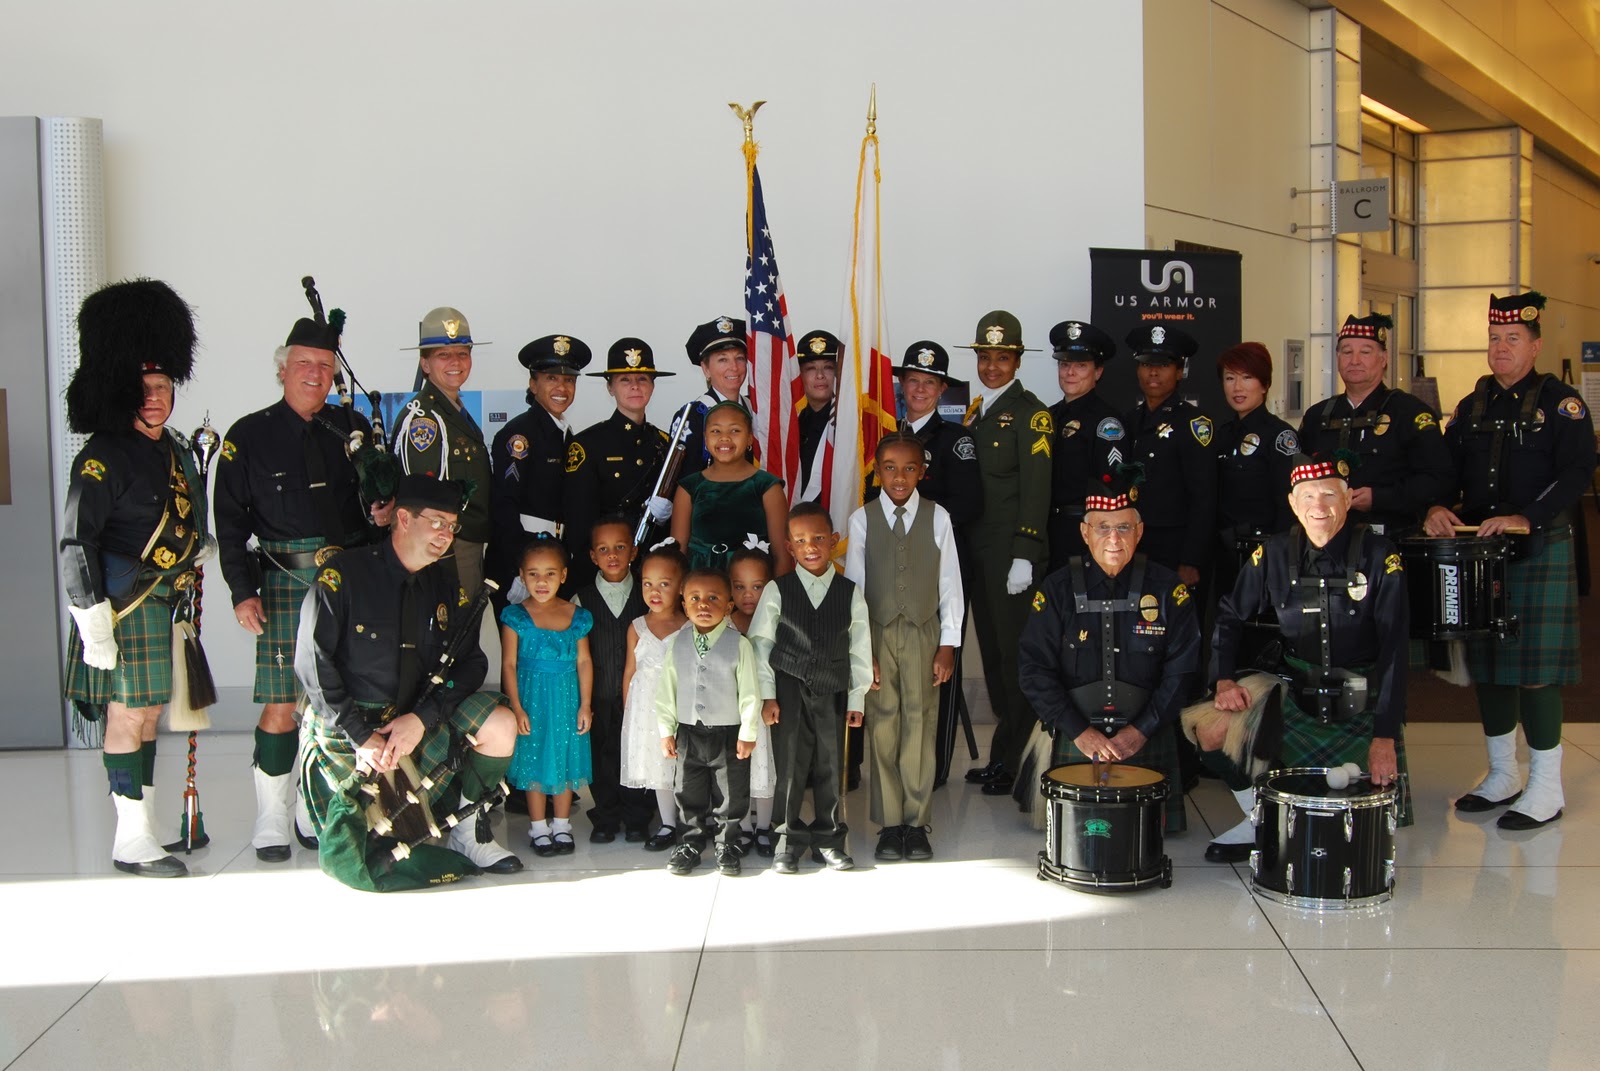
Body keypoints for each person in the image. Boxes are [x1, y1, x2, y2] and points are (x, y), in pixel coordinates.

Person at [214, 296, 396, 862]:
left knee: (335, 703)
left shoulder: (353, 427)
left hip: (348, 581)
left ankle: (311, 807)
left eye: (324, 366)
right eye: (304, 365)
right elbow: (229, 522)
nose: (315, 375)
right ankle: (271, 813)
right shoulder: (248, 435)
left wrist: (382, 511)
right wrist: (242, 591)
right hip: (282, 582)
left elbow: (373, 510)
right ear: (283, 369)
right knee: (280, 704)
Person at [1424, 292, 1596, 830]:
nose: (1501, 348)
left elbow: (1578, 469)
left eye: (1513, 339)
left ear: (1536, 345)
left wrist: (1529, 516)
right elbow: (1448, 467)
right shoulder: (1474, 405)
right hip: (1481, 549)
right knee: (1491, 667)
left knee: (1536, 671)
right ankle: (1503, 774)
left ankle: (1546, 786)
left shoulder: (1563, 403)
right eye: (1495, 339)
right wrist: (1435, 504)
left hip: (1538, 545)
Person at [297, 475, 523, 877]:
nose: (446, 535)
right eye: (436, 522)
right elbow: (312, 663)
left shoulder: (445, 584)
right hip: (352, 728)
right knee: (370, 847)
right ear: (403, 518)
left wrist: (422, 718)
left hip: (414, 722)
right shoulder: (344, 574)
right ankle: (310, 787)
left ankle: (469, 831)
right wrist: (360, 735)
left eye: (452, 527)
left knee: (501, 723)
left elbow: (472, 663)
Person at [60, 278, 201, 878]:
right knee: (127, 715)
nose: (155, 398)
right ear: (124, 392)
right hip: (120, 604)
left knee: (147, 715)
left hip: (164, 599)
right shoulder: (102, 454)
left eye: (163, 387)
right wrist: (90, 617)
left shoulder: (173, 448)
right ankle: (131, 838)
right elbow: (75, 540)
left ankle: (141, 826)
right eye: (143, 389)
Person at [1204, 451, 1411, 862]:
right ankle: (1259, 817)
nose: (1319, 507)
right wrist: (1223, 680)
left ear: (1349, 500)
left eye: (1330, 495)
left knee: (1349, 840)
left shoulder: (1380, 556)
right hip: (1296, 689)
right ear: (1293, 503)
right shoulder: (1274, 554)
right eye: (1309, 496)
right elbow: (1228, 616)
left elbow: (1395, 651)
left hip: (1362, 695)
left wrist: (1384, 736)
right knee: (1209, 730)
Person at [1016, 466, 1200, 833]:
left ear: (1140, 531)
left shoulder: (1168, 590)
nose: (1114, 539)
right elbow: (1033, 670)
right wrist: (1079, 731)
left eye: (1124, 528)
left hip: (1148, 732)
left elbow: (1183, 670)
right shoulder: (1055, 590)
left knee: (1146, 833)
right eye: (1103, 527)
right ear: (1085, 533)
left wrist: (1142, 730)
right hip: (1075, 734)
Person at [844, 435, 964, 862]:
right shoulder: (863, 519)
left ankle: (916, 823)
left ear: (922, 471)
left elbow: (950, 584)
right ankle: (888, 823)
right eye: (890, 468)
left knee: (920, 722)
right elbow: (855, 590)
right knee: (882, 724)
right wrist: (862, 650)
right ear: (877, 470)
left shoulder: (938, 517)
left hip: (923, 633)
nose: (899, 476)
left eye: (909, 468)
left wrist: (948, 643)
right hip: (877, 635)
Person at [747, 503, 875, 873]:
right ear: (790, 547)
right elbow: (761, 646)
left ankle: (829, 838)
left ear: (834, 542)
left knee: (830, 765)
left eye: (819, 538)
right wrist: (768, 695)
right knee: (789, 766)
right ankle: (787, 840)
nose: (811, 546)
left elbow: (860, 648)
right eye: (801, 540)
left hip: (833, 690)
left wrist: (856, 699)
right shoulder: (777, 589)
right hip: (788, 691)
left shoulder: (850, 592)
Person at [957, 311, 1052, 797]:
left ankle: (1022, 761)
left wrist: (1025, 553)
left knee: (1016, 660)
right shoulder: (980, 410)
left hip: (1010, 558)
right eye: (985, 357)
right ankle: (1005, 754)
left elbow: (1037, 488)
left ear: (1017, 360)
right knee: (993, 657)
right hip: (980, 553)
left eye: (1003, 357)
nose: (993, 366)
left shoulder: (1031, 413)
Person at [880, 340, 982, 788]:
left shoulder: (956, 439)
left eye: (929, 382)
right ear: (902, 385)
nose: (920, 389)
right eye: (912, 381)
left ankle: (934, 768)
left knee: (937, 671)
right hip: (889, 572)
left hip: (940, 569)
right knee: (894, 671)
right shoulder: (882, 437)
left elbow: (968, 504)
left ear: (942, 389)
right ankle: (896, 762)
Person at [1298, 313, 1452, 535]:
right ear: (1338, 358)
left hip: (1393, 539)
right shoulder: (1317, 416)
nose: (1355, 360)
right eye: (1347, 352)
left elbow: (1438, 479)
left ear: (1383, 358)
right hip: (1327, 539)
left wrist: (1379, 498)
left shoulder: (1409, 412)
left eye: (1366, 352)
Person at [656, 568, 763, 876]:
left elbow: (749, 693)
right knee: (687, 790)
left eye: (713, 598)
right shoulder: (677, 643)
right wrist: (666, 730)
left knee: (731, 793)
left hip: (728, 732)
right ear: (683, 603)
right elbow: (667, 690)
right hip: (689, 731)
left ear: (729, 604)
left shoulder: (739, 644)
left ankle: (728, 843)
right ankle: (690, 842)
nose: (703, 605)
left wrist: (748, 732)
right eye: (695, 598)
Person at [501, 535, 594, 857]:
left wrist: (585, 704)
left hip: (567, 699)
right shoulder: (515, 616)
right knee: (535, 761)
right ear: (522, 575)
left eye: (550, 573)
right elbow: (509, 664)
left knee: (565, 761)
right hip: (531, 701)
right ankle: (538, 828)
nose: (542, 582)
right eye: (533, 574)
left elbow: (584, 661)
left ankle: (562, 825)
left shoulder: (577, 616)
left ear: (564, 575)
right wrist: (515, 706)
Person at [393, 308, 493, 594]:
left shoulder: (454, 410)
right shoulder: (425, 419)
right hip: (445, 550)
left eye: (462, 353)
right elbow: (420, 499)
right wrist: (440, 553)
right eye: (443, 355)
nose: (456, 362)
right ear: (425, 364)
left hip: (464, 545)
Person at [487, 334, 589, 607]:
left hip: (553, 559)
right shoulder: (520, 434)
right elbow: (504, 506)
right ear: (533, 384)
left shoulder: (566, 435)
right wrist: (521, 567)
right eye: (551, 378)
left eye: (569, 380)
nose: (562, 387)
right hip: (523, 564)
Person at [565, 337, 675, 586]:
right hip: (605, 570)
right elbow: (580, 527)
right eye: (625, 380)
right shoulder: (587, 445)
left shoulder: (663, 443)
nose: (635, 386)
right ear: (610, 387)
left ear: (653, 386)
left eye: (642, 379)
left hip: (653, 572)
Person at [570, 515, 652, 843]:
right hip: (600, 694)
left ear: (634, 551)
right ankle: (605, 815)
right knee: (602, 756)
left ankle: (637, 816)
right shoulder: (581, 600)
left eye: (620, 547)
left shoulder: (649, 593)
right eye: (604, 549)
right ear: (593, 556)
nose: (613, 555)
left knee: (638, 753)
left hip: (640, 696)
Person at [1122, 324, 1215, 588]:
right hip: (1133, 542)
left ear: (1179, 371)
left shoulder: (1194, 423)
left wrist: (1191, 559)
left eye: (1163, 365)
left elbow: (1204, 497)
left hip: (1174, 547)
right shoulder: (1128, 421)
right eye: (1146, 363)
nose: (1153, 372)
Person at [1212, 342, 1299, 615]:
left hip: (1264, 557)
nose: (1237, 388)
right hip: (1224, 557)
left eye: (1247, 377)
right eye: (1230, 378)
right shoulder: (1221, 435)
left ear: (1264, 384)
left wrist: (1277, 560)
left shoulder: (1280, 436)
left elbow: (1289, 506)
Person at [620, 544, 690, 851]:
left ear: (681, 586)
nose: (655, 591)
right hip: (647, 708)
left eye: (664, 583)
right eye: (648, 583)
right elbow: (629, 671)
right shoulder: (637, 627)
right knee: (659, 765)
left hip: (681, 704)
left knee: (686, 764)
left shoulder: (690, 626)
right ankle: (667, 823)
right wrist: (628, 711)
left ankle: (693, 818)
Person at [671, 399, 792, 574]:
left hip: (752, 593)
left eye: (735, 430)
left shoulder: (767, 487)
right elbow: (677, 556)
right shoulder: (689, 487)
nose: (724, 437)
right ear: (705, 438)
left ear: (750, 437)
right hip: (701, 593)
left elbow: (782, 556)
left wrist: (774, 599)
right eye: (716, 431)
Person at [1045, 320, 1122, 570]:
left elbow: (1111, 488)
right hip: (1048, 532)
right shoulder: (1048, 416)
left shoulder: (1106, 422)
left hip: (1084, 533)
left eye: (1080, 366)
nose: (1070, 373)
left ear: (1098, 372)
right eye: (1064, 364)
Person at [727, 546, 778, 855]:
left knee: (764, 766)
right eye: (740, 586)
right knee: (737, 768)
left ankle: (764, 826)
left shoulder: (775, 621)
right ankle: (742, 826)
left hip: (763, 710)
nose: (748, 595)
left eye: (757, 587)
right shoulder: (723, 623)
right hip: (732, 711)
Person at [679, 316, 751, 476]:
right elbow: (687, 481)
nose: (734, 367)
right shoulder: (693, 415)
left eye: (739, 358)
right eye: (722, 360)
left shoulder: (756, 408)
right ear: (706, 369)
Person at [794, 329, 840, 505]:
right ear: (799, 375)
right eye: (811, 368)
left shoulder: (853, 425)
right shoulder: (791, 423)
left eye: (828, 367)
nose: (820, 376)